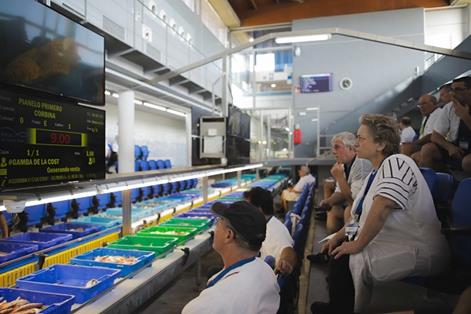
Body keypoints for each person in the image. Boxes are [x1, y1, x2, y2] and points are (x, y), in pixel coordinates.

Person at [311, 114, 449, 314]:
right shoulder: (373, 176)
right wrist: (339, 236)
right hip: (394, 242)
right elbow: (359, 218)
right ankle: (339, 306)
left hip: (420, 248)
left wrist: (357, 243)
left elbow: (383, 206)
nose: (356, 142)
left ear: (381, 144)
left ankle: (342, 308)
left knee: (349, 256)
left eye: (361, 138)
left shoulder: (398, 162)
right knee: (339, 248)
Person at [182, 201, 280, 314]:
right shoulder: (265, 269)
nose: (215, 227)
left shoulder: (207, 306)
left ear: (228, 235)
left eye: (218, 221)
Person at [317, 132, 372, 234]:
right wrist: (328, 201)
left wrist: (340, 177)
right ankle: (334, 239)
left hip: (367, 209)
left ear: (351, 148)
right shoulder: (343, 165)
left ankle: (350, 239)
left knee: (349, 211)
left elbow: (354, 202)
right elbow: (340, 192)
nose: (333, 151)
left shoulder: (361, 164)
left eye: (337, 147)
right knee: (333, 209)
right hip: (355, 204)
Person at [245, 187, 297, 275]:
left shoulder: (274, 232)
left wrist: (285, 262)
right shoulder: (268, 224)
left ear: (259, 209)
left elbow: (288, 250)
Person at [430, 77, 471, 174]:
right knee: (428, 149)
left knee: (467, 162)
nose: (452, 93)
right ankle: (428, 187)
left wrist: (465, 116)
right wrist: (449, 147)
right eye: (452, 90)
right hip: (457, 147)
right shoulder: (450, 107)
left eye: (458, 90)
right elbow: (435, 136)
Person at [408, 94, 441, 159]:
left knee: (407, 147)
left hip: (436, 146)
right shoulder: (426, 117)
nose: (421, 107)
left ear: (433, 103)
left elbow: (431, 136)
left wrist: (414, 143)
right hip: (423, 145)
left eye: (424, 103)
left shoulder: (440, 113)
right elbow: (422, 134)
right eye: (419, 105)